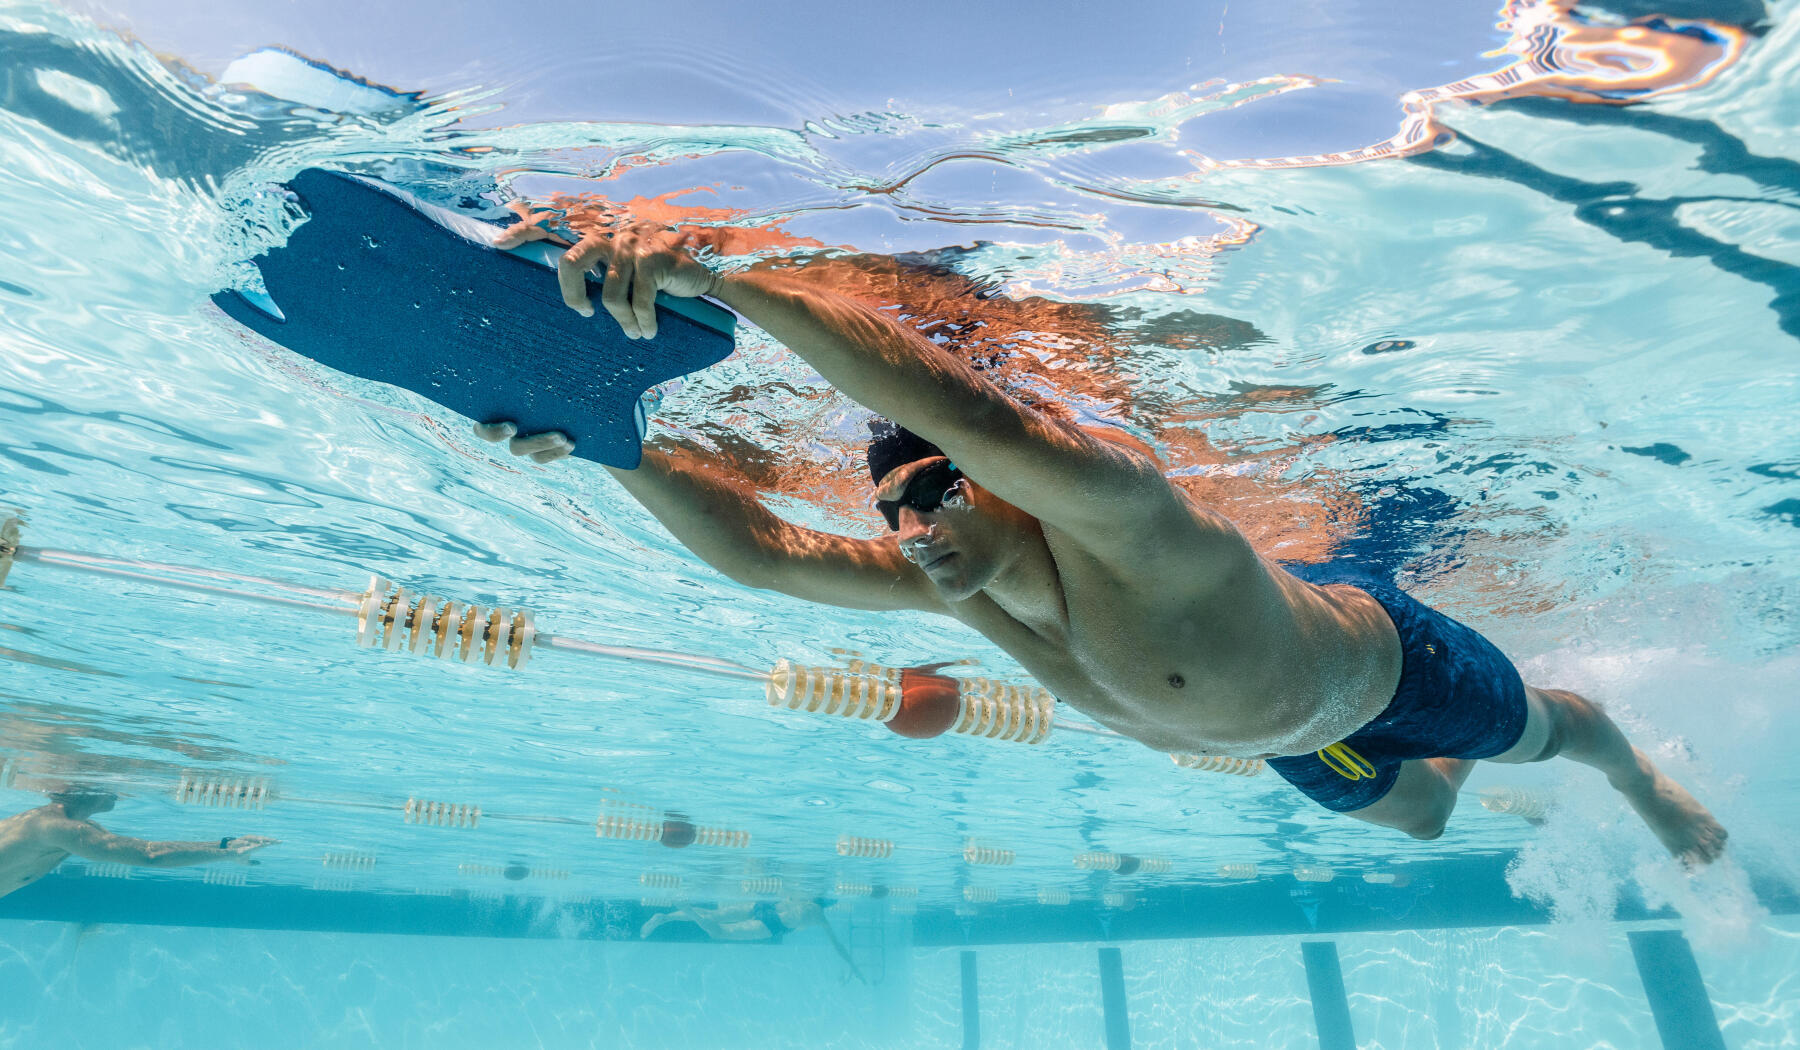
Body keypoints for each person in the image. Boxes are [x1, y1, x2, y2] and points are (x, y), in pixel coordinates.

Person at [476, 218, 1727, 865]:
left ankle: (1644, 782)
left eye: (940, 496)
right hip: (1290, 727)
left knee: (1557, 736)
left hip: (1394, 667)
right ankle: (1437, 782)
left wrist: (723, 280)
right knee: (1418, 825)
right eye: (901, 506)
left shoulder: (1138, 525)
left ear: (1018, 491)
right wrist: (611, 452)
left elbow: (959, 409)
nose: (917, 528)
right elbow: (759, 552)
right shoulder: (960, 583)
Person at [0, 790, 276, 898]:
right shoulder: (55, 828)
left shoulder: (78, 828)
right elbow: (150, 856)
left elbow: (148, 846)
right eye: (109, 784)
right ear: (83, 790)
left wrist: (224, 845)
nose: (118, 792)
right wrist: (228, 854)